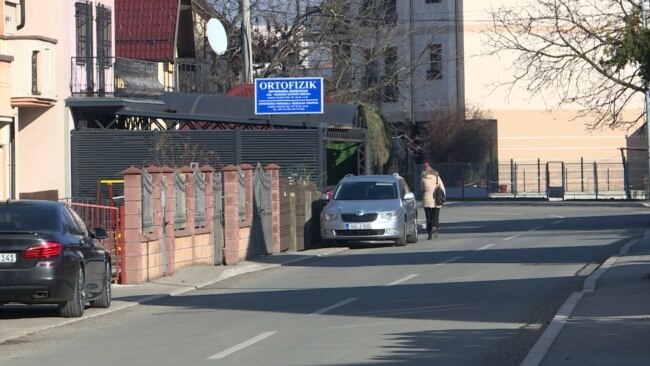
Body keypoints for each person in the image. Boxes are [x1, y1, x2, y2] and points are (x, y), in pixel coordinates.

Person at [420, 162, 446, 239]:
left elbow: (421, 189)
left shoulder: (422, 178)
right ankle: (434, 227)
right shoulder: (436, 176)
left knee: (428, 217)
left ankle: (429, 234)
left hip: (426, 199)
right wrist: (443, 198)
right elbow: (442, 187)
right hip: (436, 200)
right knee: (435, 217)